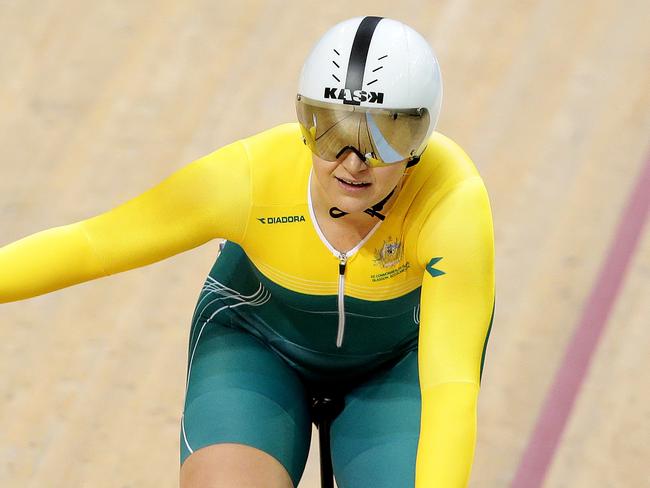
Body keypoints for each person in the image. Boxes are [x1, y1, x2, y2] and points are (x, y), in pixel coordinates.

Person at [0, 15, 495, 488]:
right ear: (303, 121)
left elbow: (451, 388)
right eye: (331, 129)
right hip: (257, 345)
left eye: (385, 137)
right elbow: (93, 244)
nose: (353, 161)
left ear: (421, 139)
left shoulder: (452, 203)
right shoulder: (251, 176)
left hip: (396, 364)